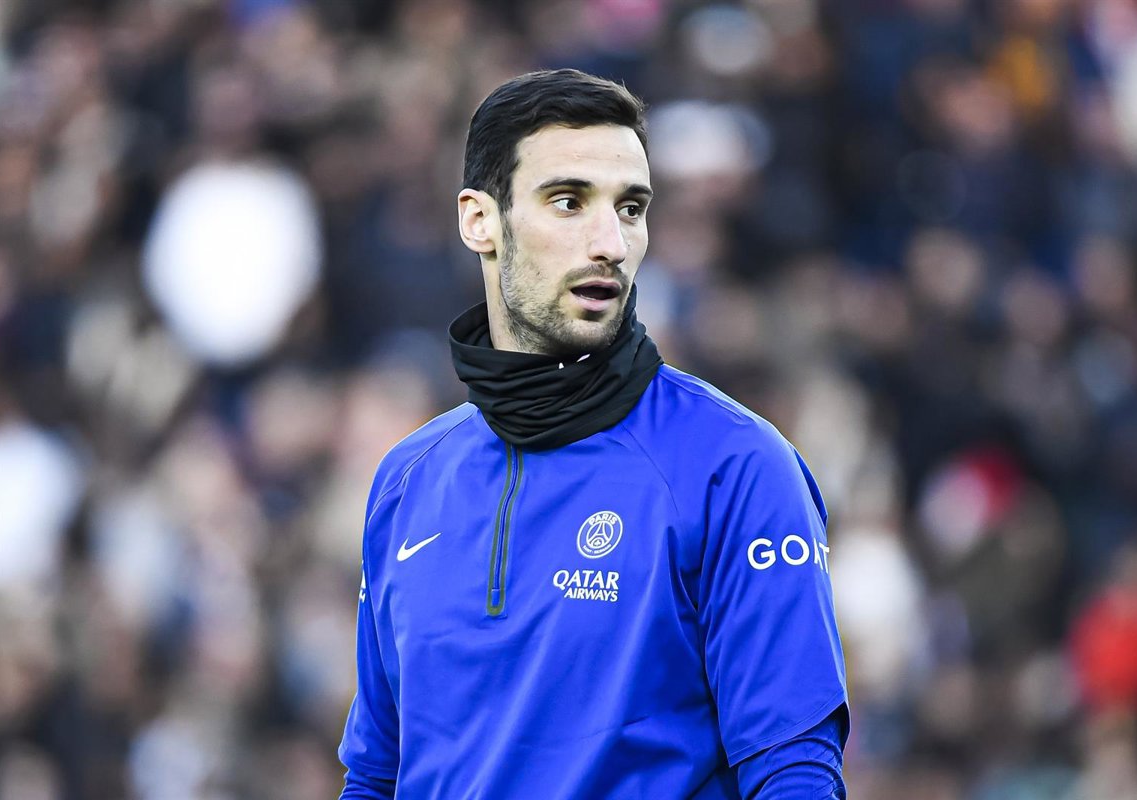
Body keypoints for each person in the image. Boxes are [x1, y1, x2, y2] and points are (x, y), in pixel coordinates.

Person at [338, 68, 849, 799]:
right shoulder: (407, 479)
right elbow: (374, 778)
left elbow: (794, 772)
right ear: (480, 220)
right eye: (568, 201)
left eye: (631, 208)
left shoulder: (736, 464)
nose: (611, 241)